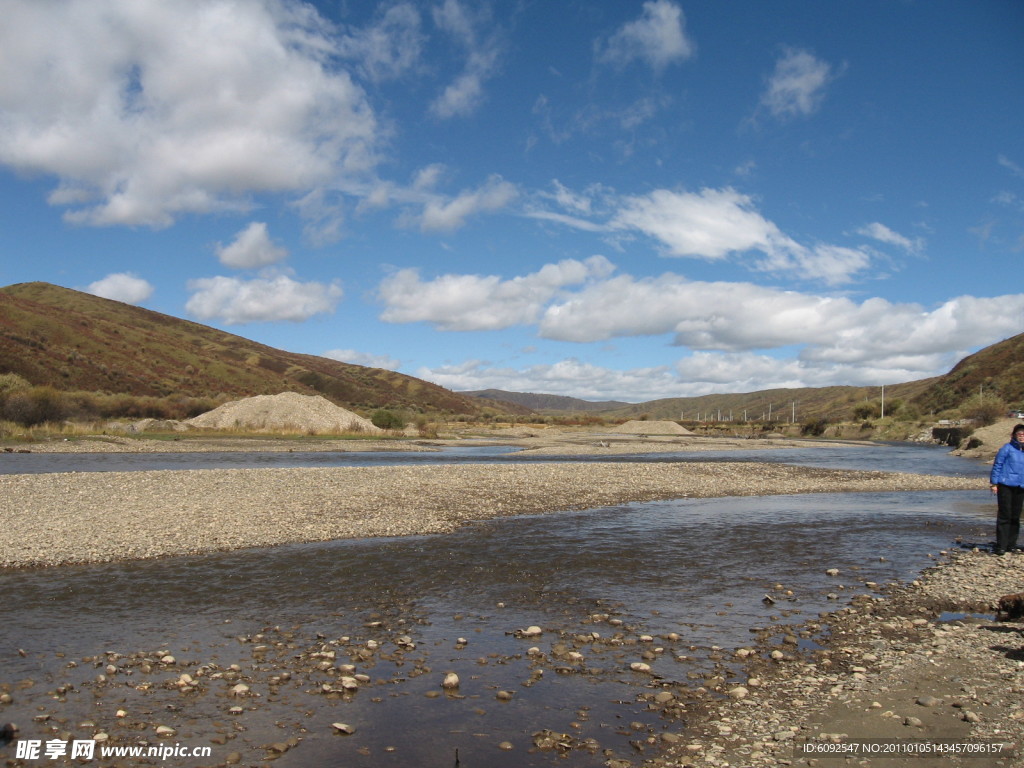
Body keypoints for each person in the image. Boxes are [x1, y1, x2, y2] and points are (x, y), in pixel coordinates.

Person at [989, 423, 1024, 555]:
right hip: (1005, 485)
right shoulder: (1007, 448)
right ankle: (1001, 546)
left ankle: (1011, 545)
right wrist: (994, 483)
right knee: (1005, 515)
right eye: (1019, 434)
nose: (1022, 437)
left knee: (1015, 516)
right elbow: (997, 465)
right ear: (1014, 435)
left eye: (1023, 434)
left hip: (1021, 486)